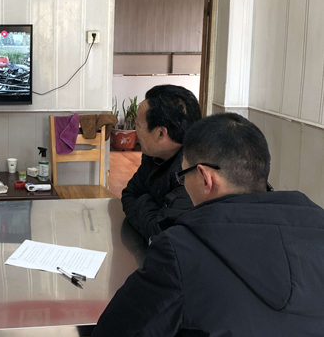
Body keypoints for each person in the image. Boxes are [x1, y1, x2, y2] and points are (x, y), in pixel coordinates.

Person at [93, 113, 324, 336]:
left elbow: (117, 328)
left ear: (206, 178)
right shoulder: (317, 226)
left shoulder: (179, 251)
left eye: (183, 176)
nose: (183, 184)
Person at [120, 85, 201, 244]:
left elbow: (159, 235)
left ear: (161, 133)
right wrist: (151, 218)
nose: (135, 130)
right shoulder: (154, 156)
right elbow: (129, 195)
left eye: (139, 125)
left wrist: (144, 199)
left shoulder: (191, 173)